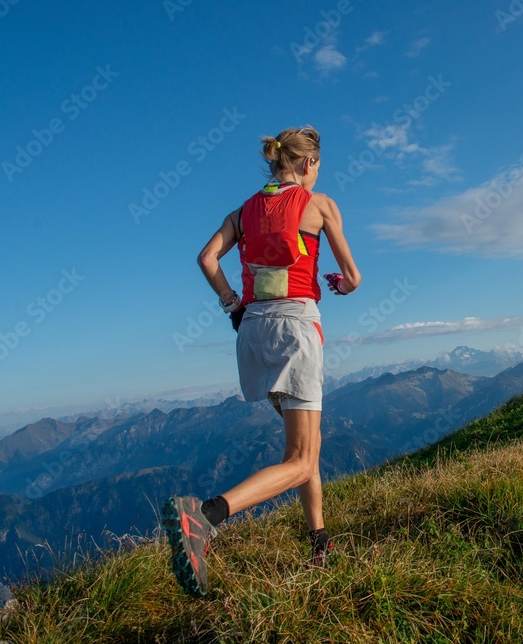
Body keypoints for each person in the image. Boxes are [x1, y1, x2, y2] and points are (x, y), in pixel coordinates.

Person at [162, 126, 361, 598]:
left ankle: (319, 542)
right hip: (295, 330)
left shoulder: (242, 212)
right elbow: (354, 277)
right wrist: (339, 284)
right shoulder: (321, 204)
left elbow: (207, 259)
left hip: (252, 334)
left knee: (304, 447)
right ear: (308, 163)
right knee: (300, 458)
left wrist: (233, 303)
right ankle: (204, 516)